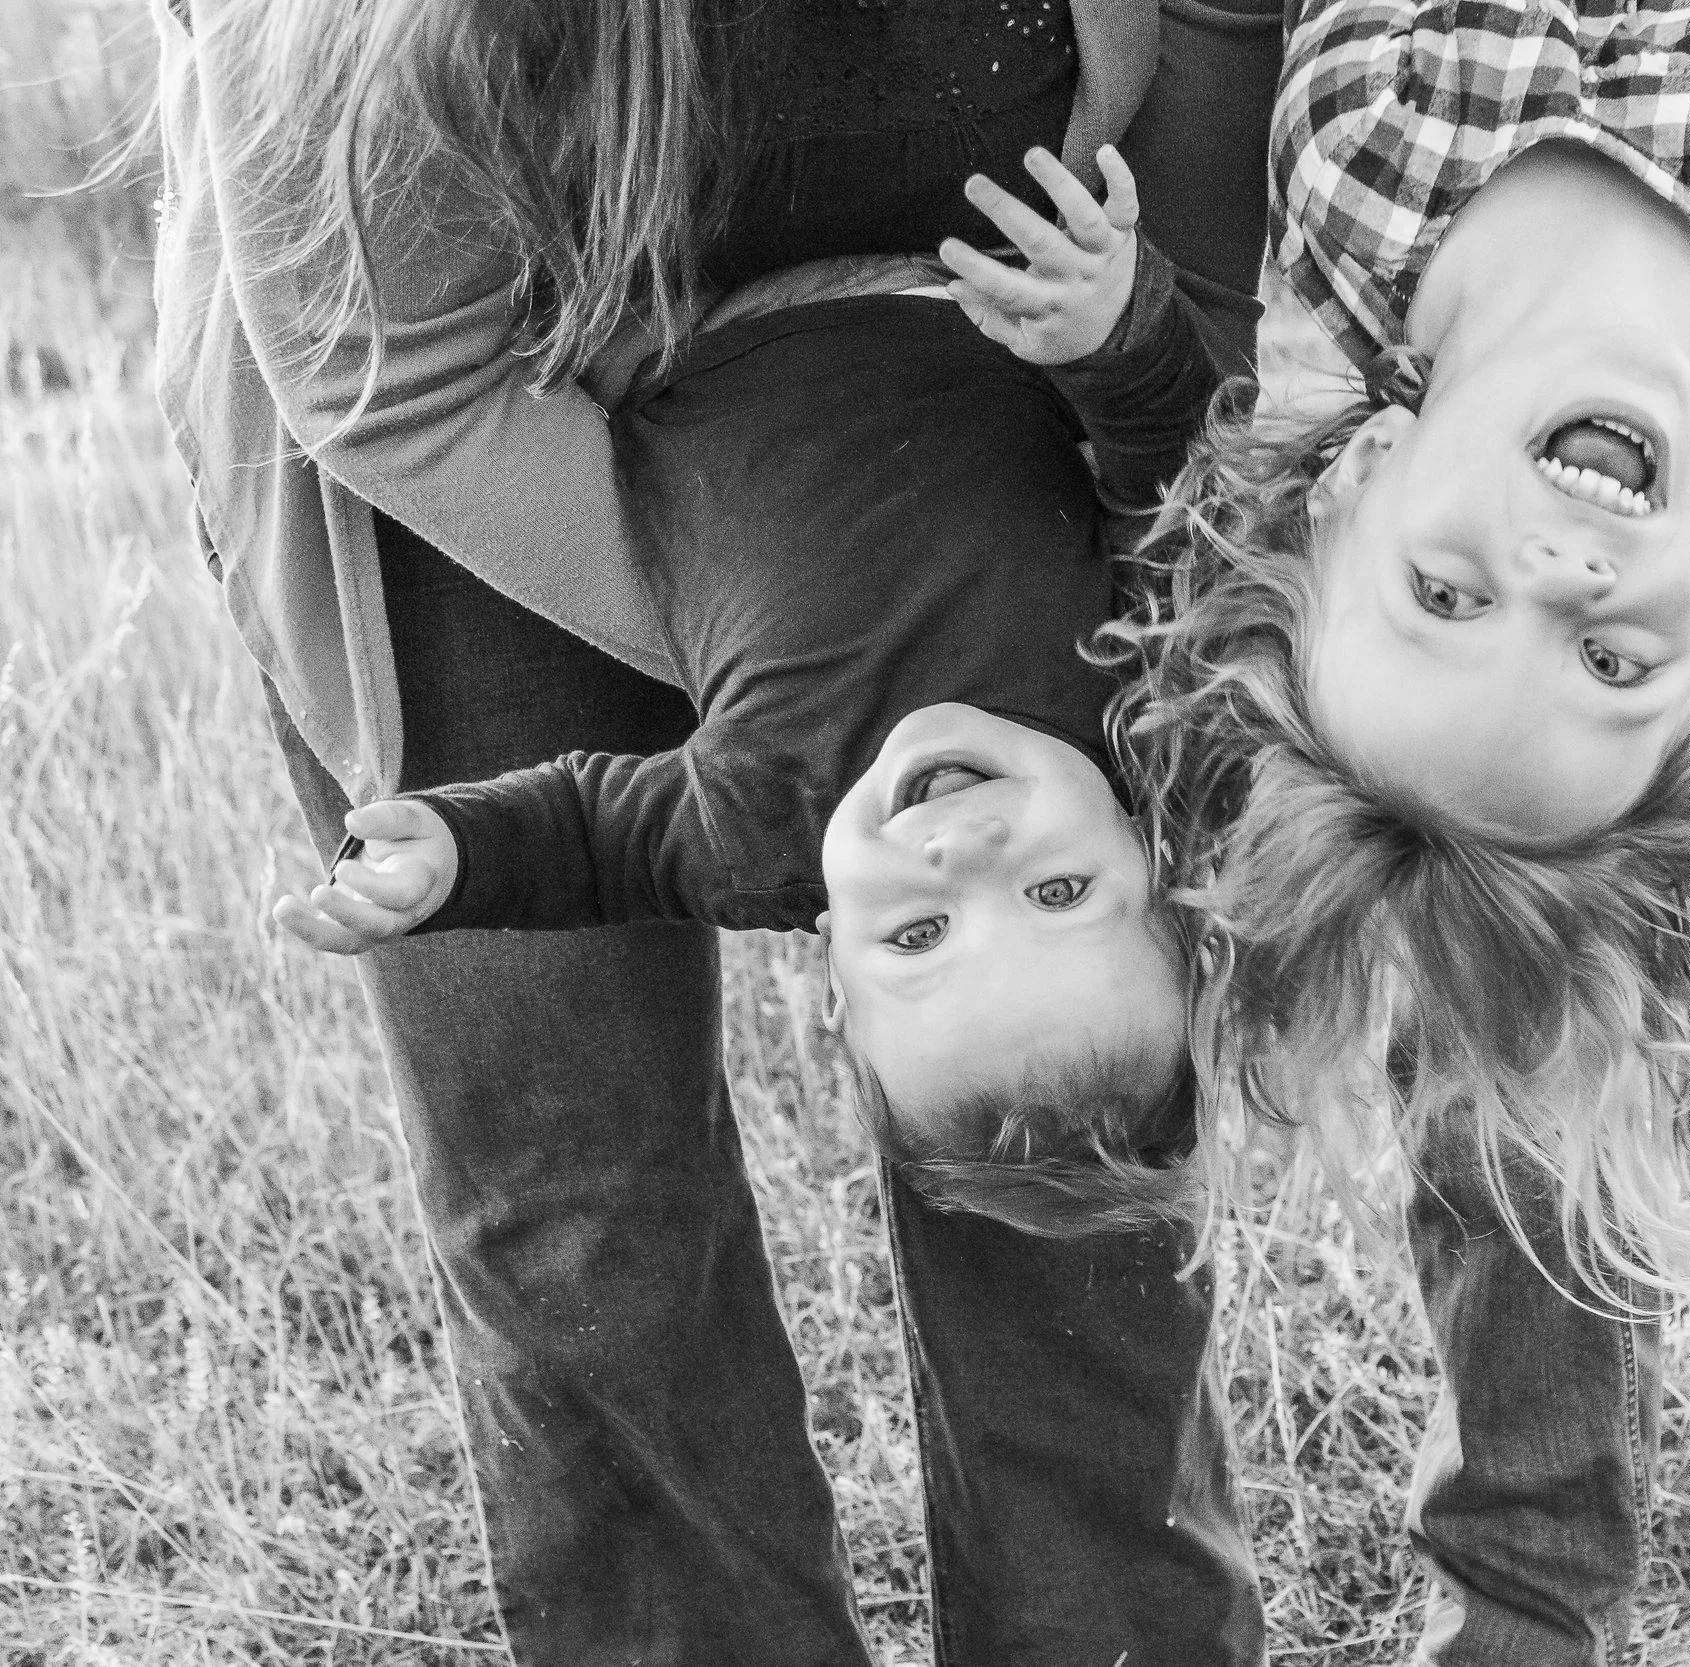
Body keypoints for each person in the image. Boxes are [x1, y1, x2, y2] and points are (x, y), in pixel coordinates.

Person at [152, 0, 1281, 1659]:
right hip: (463, 383)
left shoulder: (1084, 780)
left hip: (982, 365)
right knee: (583, 1180)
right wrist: (795, 655)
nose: (976, 868)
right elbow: (384, 367)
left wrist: (1138, 324)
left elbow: (1214, 53)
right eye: (1033, 879)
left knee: (1049, 1130)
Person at [1108, 0, 1690, 1310]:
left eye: (1446, 592)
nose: (1555, 578)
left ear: (1364, 476)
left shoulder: (1363, 163)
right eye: (1609, 666)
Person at [271, 149, 1221, 1235]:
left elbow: (591, 841)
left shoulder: (763, 833)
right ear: (1153, 862)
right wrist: (1119, 329)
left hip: (669, 295)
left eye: (918, 935)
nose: (962, 858)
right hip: (950, 246)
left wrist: (458, 852)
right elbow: (1181, 482)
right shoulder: (1134, 700)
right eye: (1056, 893)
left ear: (837, 987)